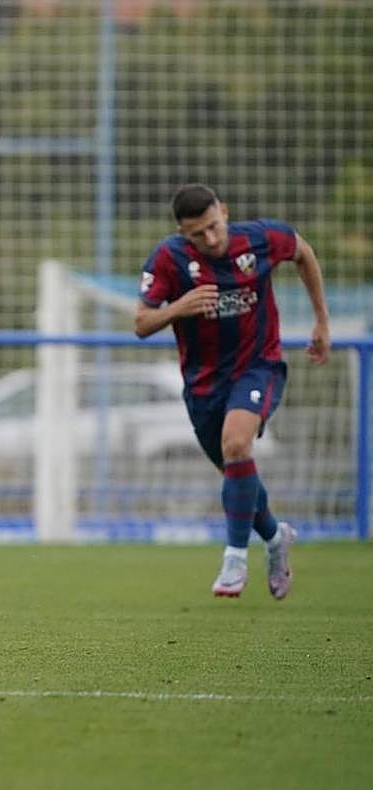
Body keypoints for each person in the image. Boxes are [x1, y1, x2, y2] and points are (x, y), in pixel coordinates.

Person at [135, 183, 330, 599]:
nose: (209, 239)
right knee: (237, 472)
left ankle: (234, 559)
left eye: (213, 227)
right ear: (181, 233)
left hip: (258, 366)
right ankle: (276, 539)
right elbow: (141, 323)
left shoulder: (258, 239)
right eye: (196, 235)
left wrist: (321, 321)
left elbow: (302, 251)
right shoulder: (169, 258)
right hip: (204, 385)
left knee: (237, 444)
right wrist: (179, 307)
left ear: (223, 211)